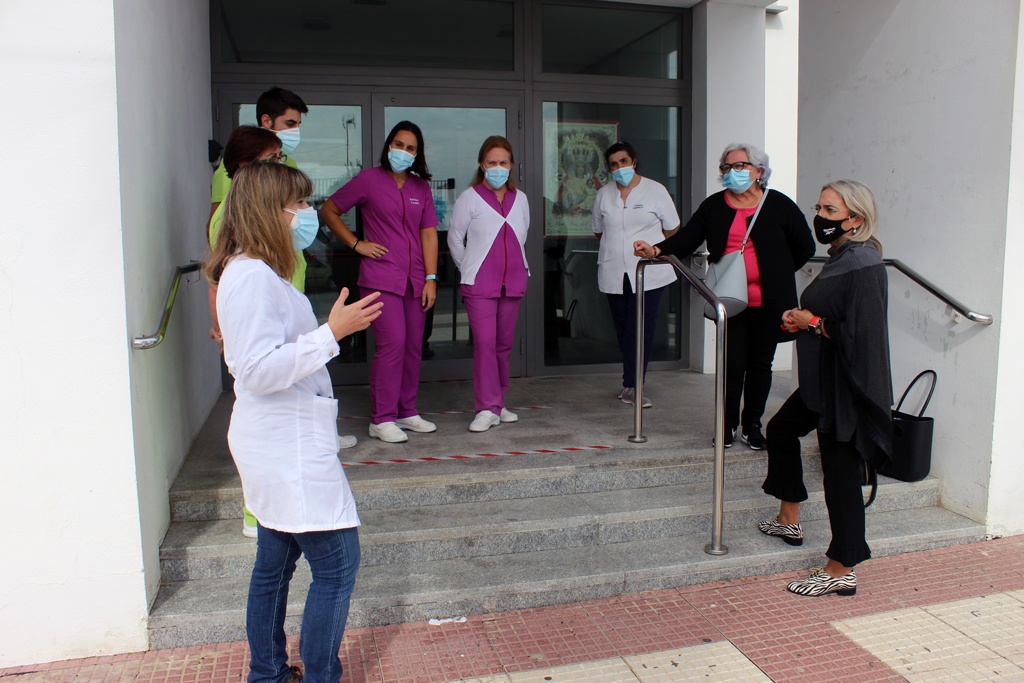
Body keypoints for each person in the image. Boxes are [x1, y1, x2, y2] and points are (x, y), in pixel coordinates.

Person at [205, 162, 383, 682]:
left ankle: (268, 673)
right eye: (299, 205)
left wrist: (327, 332)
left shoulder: (253, 273)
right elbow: (258, 371)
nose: (308, 215)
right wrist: (333, 332)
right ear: (270, 212)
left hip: (280, 440)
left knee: (273, 567)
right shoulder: (252, 278)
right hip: (287, 448)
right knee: (337, 565)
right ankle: (320, 674)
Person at [758, 179, 892, 597]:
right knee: (780, 431)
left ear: (856, 219)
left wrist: (811, 323)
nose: (820, 217)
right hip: (822, 382)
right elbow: (835, 315)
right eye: (820, 208)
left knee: (839, 475)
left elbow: (863, 336)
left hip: (845, 389)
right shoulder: (841, 259)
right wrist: (803, 318)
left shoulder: (863, 264)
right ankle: (788, 516)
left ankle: (841, 568)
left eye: (831, 212)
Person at [634, 143, 814, 447]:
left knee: (761, 365)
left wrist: (778, 273)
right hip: (731, 302)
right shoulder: (714, 206)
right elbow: (688, 238)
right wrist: (656, 250)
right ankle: (727, 424)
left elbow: (805, 247)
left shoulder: (779, 205)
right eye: (727, 167)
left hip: (772, 303)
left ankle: (752, 425)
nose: (733, 173)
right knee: (733, 364)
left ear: (759, 171)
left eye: (740, 166)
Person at [319, 121, 439, 443]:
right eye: (398, 144)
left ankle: (406, 411)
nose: (403, 151)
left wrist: (431, 277)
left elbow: (428, 234)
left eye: (410, 147)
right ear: (388, 146)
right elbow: (329, 210)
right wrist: (356, 243)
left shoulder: (420, 188)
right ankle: (381, 418)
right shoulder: (369, 180)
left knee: (414, 345)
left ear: (417, 154)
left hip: (415, 279)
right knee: (393, 344)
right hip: (380, 277)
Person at [205, 125, 285, 538]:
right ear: (242, 167)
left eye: (279, 160)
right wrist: (222, 331)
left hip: (277, 321)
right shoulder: (230, 216)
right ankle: (256, 513)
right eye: (268, 161)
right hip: (255, 330)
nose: (276, 167)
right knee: (258, 417)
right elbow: (216, 277)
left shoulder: (267, 212)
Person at [448, 136, 530, 432]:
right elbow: (455, 238)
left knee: (503, 346)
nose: (498, 167)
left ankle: (498, 402)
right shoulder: (469, 198)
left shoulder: (520, 198)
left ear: (511, 166)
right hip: (479, 284)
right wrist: (468, 267)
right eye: (492, 162)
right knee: (484, 345)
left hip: (513, 282)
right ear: (482, 165)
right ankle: (485, 407)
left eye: (503, 163)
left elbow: (522, 234)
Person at [592, 141, 679, 408]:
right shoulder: (604, 195)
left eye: (624, 161)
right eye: (614, 164)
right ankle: (630, 382)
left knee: (641, 328)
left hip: (649, 272)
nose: (620, 168)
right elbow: (598, 230)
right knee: (623, 329)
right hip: (614, 270)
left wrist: (653, 248)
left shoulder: (655, 190)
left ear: (634, 161)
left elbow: (672, 229)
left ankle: (633, 385)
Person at [208, 87, 309, 291]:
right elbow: (220, 233)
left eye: (298, 124)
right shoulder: (231, 173)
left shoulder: (290, 164)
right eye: (290, 123)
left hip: (290, 276)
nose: (295, 131)